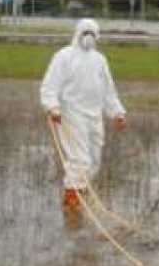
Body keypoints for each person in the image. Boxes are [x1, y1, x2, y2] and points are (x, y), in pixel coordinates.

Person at [40, 18, 127, 229]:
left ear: (97, 36)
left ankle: (81, 193)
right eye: (85, 32)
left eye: (92, 32)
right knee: (79, 159)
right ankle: (71, 205)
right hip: (71, 114)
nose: (88, 36)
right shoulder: (64, 56)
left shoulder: (99, 60)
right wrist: (52, 107)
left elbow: (108, 90)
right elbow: (50, 85)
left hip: (94, 115)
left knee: (94, 159)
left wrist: (117, 112)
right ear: (78, 33)